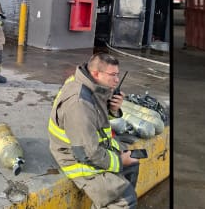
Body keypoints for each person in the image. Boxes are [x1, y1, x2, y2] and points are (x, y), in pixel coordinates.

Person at [48, 53, 141, 208]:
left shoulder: (90, 85)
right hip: (75, 156)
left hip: (89, 145)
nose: (116, 80)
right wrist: (118, 161)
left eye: (117, 75)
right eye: (112, 75)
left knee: (132, 165)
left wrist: (112, 110)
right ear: (96, 73)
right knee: (125, 200)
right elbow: (87, 153)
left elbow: (95, 119)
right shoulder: (79, 104)